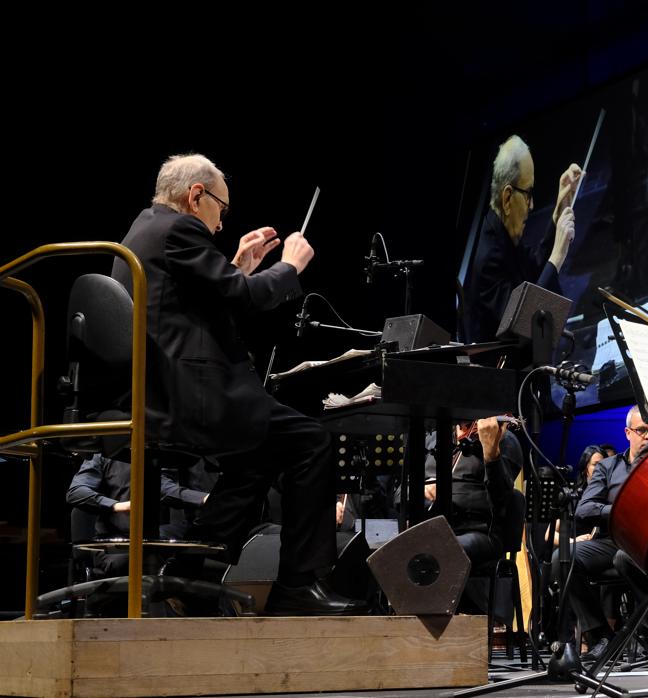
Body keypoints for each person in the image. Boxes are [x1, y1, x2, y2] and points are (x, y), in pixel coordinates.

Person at [111, 153, 364, 616]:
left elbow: (196, 305)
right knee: (311, 442)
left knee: (257, 459)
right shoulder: (180, 229)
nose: (222, 222)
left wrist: (237, 267)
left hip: (162, 392)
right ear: (196, 195)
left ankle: (190, 574)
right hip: (192, 396)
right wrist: (289, 267)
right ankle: (297, 588)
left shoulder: (145, 229)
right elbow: (244, 299)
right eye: (221, 209)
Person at [552, 406, 648, 663]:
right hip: (611, 540)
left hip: (647, 542)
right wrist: (622, 510)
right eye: (642, 430)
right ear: (628, 432)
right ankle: (602, 638)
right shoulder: (608, 466)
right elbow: (585, 509)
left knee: (626, 558)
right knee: (562, 558)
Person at [461, 135, 583, 343]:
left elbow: (534, 272)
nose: (532, 204)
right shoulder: (489, 258)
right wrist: (558, 254)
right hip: (500, 372)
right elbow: (526, 323)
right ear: (507, 197)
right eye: (527, 193)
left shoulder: (500, 231)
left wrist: (556, 216)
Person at [66, 454, 212, 577]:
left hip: (164, 539)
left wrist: (206, 498)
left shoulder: (171, 452)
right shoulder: (104, 455)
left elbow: (163, 487)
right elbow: (76, 492)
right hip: (117, 545)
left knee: (198, 554)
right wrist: (115, 505)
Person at [423, 417, 523, 570]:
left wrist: (491, 454)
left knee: (439, 549)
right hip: (428, 525)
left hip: (477, 531)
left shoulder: (504, 440)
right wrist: (421, 489)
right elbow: (399, 493)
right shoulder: (435, 437)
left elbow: (501, 500)